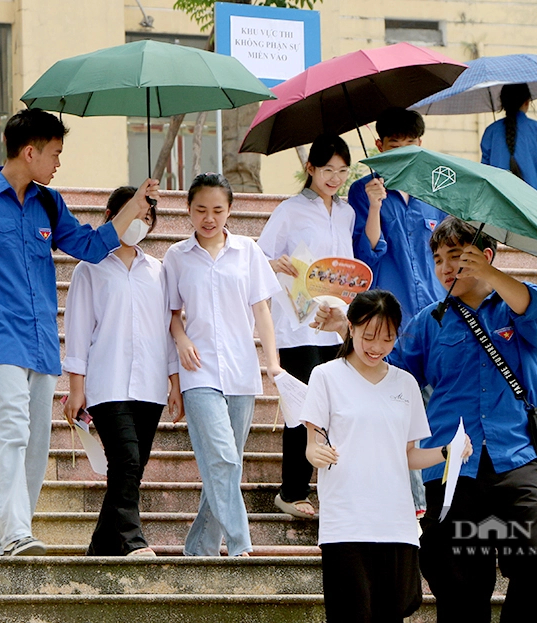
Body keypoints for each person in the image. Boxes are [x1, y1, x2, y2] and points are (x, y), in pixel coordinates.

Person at [0, 108, 158, 556]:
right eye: (55, 154)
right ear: (30, 151)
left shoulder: (50, 203)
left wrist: (130, 211)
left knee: (36, 444)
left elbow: (87, 245)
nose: (59, 164)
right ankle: (15, 533)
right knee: (9, 432)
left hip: (43, 342)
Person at [313, 216, 537, 622]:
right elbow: (383, 369)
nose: (445, 268)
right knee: (456, 580)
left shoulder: (518, 309)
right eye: (438, 259)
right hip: (452, 469)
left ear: (485, 256)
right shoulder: (428, 322)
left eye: (456, 256)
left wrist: (489, 273)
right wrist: (347, 329)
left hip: (517, 457)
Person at [301, 290, 472, 622]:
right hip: (346, 522)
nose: (377, 347)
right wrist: (317, 452)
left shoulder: (405, 383)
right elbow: (312, 444)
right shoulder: (326, 376)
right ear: (350, 328)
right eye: (368, 336)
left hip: (396, 523)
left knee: (391, 614)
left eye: (388, 339)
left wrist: (447, 452)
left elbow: (408, 455)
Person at [163, 172, 285, 557]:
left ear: (230, 210)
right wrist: (181, 340)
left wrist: (274, 363)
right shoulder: (176, 257)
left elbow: (262, 310)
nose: (209, 218)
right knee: (223, 458)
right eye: (200, 209)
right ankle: (239, 544)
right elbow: (170, 313)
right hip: (198, 371)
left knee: (224, 467)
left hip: (241, 372)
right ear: (188, 210)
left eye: (218, 209)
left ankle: (199, 546)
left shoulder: (248, 251)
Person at [62, 186, 181, 557]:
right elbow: (78, 331)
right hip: (106, 384)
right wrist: (76, 388)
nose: (140, 223)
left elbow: (170, 330)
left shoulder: (159, 272)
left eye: (147, 217)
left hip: (149, 387)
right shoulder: (90, 268)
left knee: (129, 468)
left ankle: (100, 549)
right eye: (133, 214)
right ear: (113, 215)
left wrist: (175, 384)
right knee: (127, 459)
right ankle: (133, 541)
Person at [347, 106, 447, 516]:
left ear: (420, 146)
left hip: (437, 316)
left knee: (435, 405)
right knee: (401, 410)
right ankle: (416, 502)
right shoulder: (362, 191)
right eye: (393, 146)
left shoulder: (435, 194)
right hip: (392, 323)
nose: (402, 152)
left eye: (409, 146)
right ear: (378, 146)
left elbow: (444, 252)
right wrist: (374, 206)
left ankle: (437, 496)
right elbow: (366, 253)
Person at [257, 134, 356, 520]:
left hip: (335, 323)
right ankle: (292, 491)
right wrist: (275, 263)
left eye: (342, 171)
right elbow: (260, 257)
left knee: (336, 409)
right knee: (302, 408)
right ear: (310, 168)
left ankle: (332, 490)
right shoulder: (290, 210)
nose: (335, 178)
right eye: (328, 169)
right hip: (298, 324)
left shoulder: (346, 212)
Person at [480, 83, 537, 202]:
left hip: (499, 202)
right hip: (534, 202)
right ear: (527, 102)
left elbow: (484, 171)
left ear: (503, 103)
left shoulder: (491, 131)